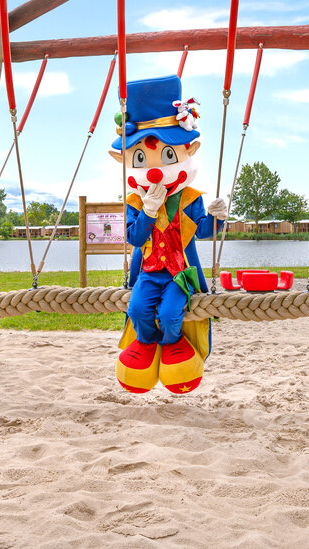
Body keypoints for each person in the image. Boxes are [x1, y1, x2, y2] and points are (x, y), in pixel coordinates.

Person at [109, 75, 228, 394]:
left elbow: (200, 231)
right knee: (137, 309)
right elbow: (135, 240)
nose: (154, 170)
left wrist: (217, 219)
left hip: (180, 274)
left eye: (168, 155)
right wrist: (147, 212)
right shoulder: (135, 202)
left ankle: (174, 344)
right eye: (139, 158)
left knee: (170, 312)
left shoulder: (189, 198)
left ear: (188, 150)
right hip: (149, 272)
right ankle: (147, 343)